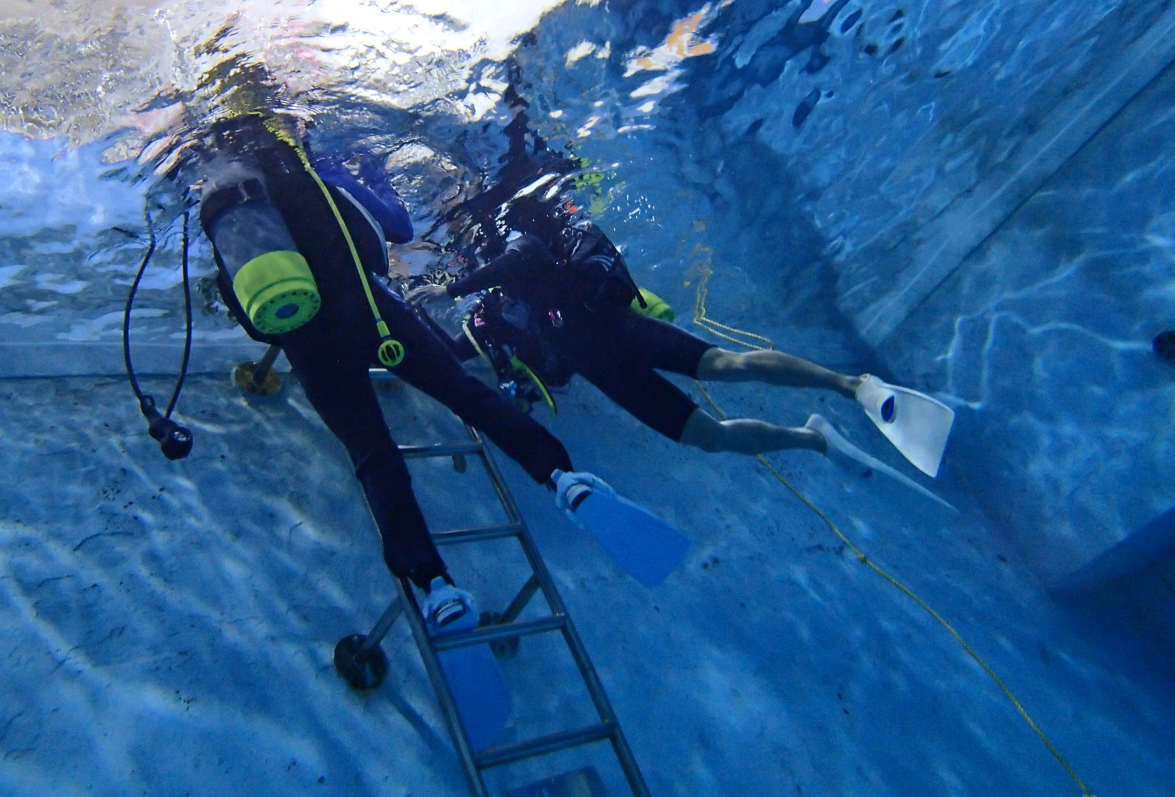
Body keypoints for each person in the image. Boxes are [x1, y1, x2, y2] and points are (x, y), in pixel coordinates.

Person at [183, 113, 608, 630]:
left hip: (313, 350)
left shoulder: (234, 220)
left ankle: (434, 585)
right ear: (293, 140)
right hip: (376, 320)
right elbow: (388, 236)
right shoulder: (320, 177)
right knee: (463, 393)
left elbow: (255, 323)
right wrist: (373, 175)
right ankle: (562, 477)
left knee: (373, 454)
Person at [407, 175, 919, 477]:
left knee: (728, 364)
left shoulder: (515, 236)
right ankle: (815, 439)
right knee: (710, 437)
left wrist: (449, 289)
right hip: (608, 373)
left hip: (616, 328)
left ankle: (855, 387)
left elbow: (522, 256)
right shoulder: (497, 286)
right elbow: (473, 341)